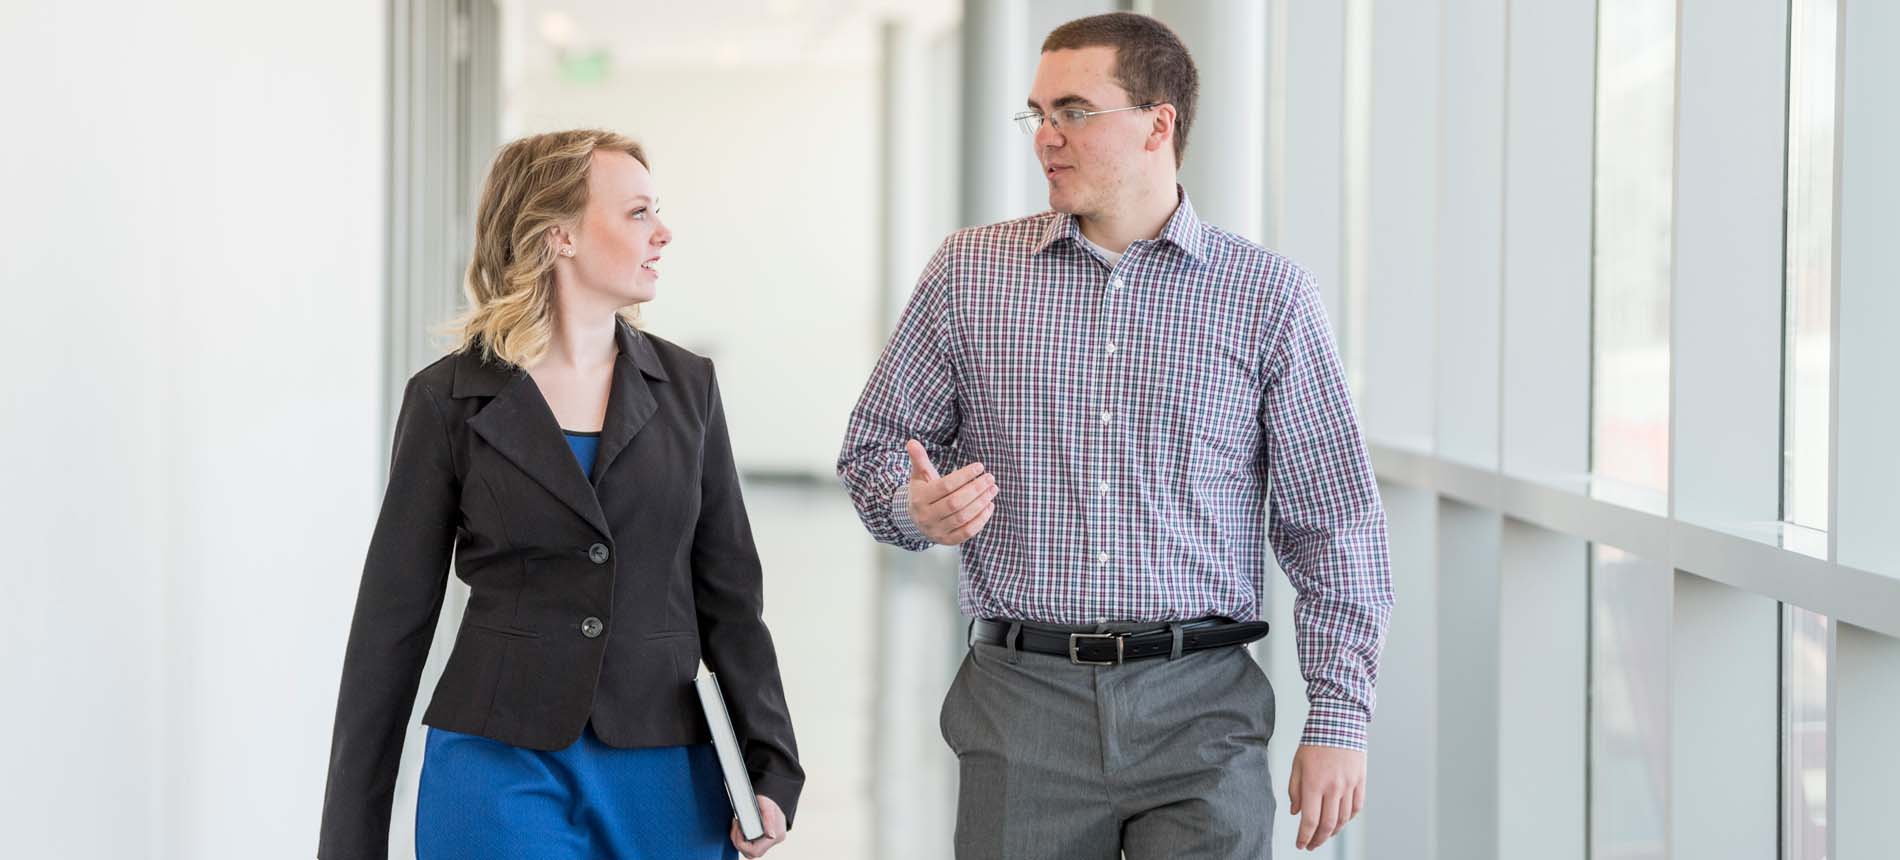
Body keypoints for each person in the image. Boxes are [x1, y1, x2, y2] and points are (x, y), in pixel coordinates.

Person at [837, 13, 1392, 859]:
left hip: (1204, 713)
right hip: (1020, 708)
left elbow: (1335, 523)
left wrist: (1340, 720)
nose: (1046, 138)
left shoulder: (1268, 298)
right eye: (1037, 114)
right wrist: (915, 509)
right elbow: (873, 447)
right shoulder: (969, 274)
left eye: (1073, 111)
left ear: (1157, 123)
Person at [319, 129, 801, 860]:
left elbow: (730, 595)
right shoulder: (448, 400)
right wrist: (349, 840)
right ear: (560, 235)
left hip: (668, 771)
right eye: (638, 213)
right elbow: (390, 627)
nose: (663, 232)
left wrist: (771, 766)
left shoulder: (688, 389)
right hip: (497, 765)